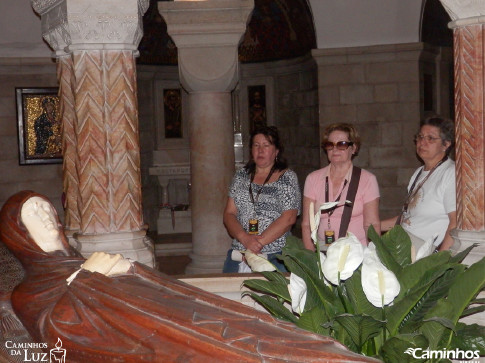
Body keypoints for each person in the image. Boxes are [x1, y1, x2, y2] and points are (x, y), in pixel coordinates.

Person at [0, 190, 371, 362]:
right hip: (156, 337)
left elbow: (162, 288)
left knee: (247, 324)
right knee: (232, 346)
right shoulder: (29, 292)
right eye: (35, 216)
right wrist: (88, 279)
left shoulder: (83, 261)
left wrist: (127, 269)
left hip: (178, 313)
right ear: (19, 236)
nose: (48, 218)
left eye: (47, 210)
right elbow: (58, 336)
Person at [223, 126, 301, 272]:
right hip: (240, 251)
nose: (260, 150)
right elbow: (229, 214)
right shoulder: (240, 176)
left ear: (276, 151)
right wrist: (245, 239)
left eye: (266, 145)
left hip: (275, 254)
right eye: (256, 145)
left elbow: (289, 218)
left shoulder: (287, 177)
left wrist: (258, 243)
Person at [381, 116, 456, 252]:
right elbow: (409, 218)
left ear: (446, 144)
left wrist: (439, 262)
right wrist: (373, 226)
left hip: (424, 253)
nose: (422, 142)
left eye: (430, 138)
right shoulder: (418, 172)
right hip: (405, 245)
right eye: (420, 137)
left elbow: (455, 222)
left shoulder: (450, 173)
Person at [301, 123, 380, 250]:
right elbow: (306, 224)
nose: (335, 149)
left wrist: (373, 256)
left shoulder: (367, 180)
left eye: (341, 144)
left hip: (356, 251)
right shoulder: (313, 179)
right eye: (330, 145)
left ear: (353, 148)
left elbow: (372, 225)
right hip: (323, 250)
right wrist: (311, 260)